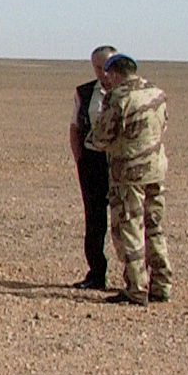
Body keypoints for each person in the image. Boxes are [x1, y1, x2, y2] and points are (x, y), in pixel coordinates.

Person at [86, 53, 170, 305]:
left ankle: (136, 288)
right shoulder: (156, 93)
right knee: (154, 226)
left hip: (129, 173)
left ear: (114, 73)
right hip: (155, 169)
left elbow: (102, 136)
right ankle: (161, 284)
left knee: (130, 227)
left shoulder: (119, 97)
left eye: (107, 75)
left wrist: (91, 140)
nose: (105, 81)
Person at [69, 45, 116, 290]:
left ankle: (135, 278)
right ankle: (96, 273)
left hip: (120, 165)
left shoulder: (129, 91)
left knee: (126, 221)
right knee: (94, 221)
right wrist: (81, 161)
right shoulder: (85, 92)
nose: (101, 72)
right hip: (93, 163)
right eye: (96, 67)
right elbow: (75, 127)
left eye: (105, 66)